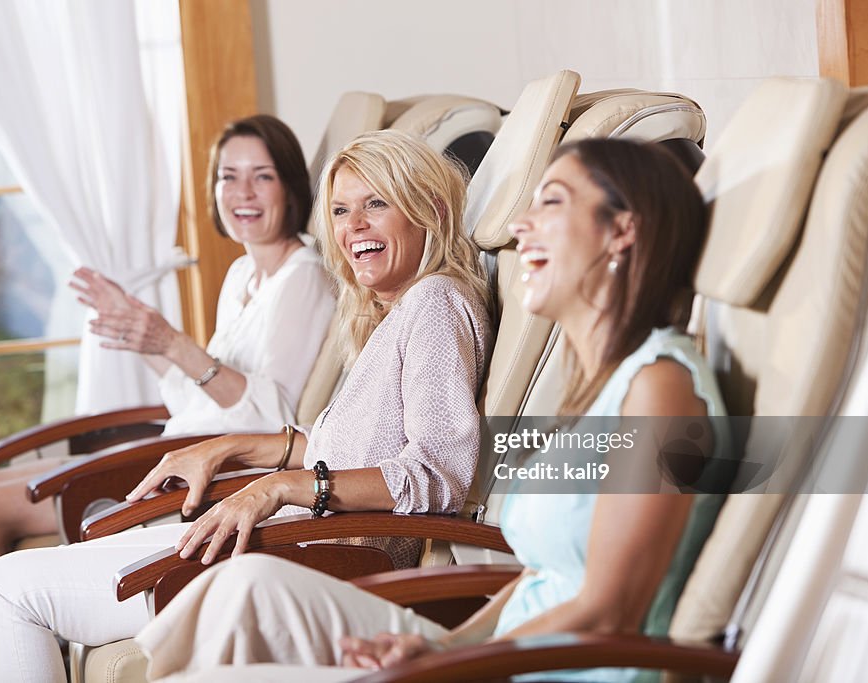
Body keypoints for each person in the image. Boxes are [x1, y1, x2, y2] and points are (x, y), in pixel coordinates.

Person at [0, 129, 493, 683]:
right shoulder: (391, 316)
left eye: (375, 204)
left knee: (10, 589)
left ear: (429, 209)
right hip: (278, 536)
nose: (353, 225)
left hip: (318, 555)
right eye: (341, 210)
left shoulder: (432, 304)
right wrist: (234, 447)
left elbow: (437, 476)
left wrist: (280, 487)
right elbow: (351, 447)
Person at [130, 138, 729, 683]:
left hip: (545, 670)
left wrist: (451, 662)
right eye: (339, 210)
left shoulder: (662, 388)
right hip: (493, 654)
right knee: (243, 590)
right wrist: (442, 647)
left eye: (552, 203)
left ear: (621, 231)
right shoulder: (594, 389)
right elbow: (543, 577)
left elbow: (610, 609)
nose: (521, 226)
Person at [0, 113, 334, 587]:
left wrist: (173, 342)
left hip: (206, 475)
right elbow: (199, 398)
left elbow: (272, 422)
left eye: (263, 177)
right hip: (171, 450)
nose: (243, 193)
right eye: (228, 177)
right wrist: (143, 334)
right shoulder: (241, 277)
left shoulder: (303, 278)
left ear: (290, 187)